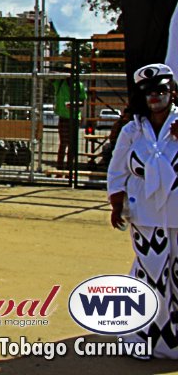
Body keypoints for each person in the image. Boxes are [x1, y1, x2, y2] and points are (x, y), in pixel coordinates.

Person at [108, 63, 178, 358]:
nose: (155, 97)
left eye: (161, 90)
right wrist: (116, 202)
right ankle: (140, 338)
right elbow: (117, 168)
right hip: (145, 216)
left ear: (171, 92)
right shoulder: (132, 130)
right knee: (151, 275)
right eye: (149, 92)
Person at [53, 63, 84, 169]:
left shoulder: (79, 85)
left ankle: (69, 169)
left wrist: (74, 104)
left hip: (75, 117)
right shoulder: (60, 82)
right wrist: (60, 74)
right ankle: (60, 168)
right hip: (63, 117)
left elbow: (82, 102)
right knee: (63, 143)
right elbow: (49, 75)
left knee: (72, 145)